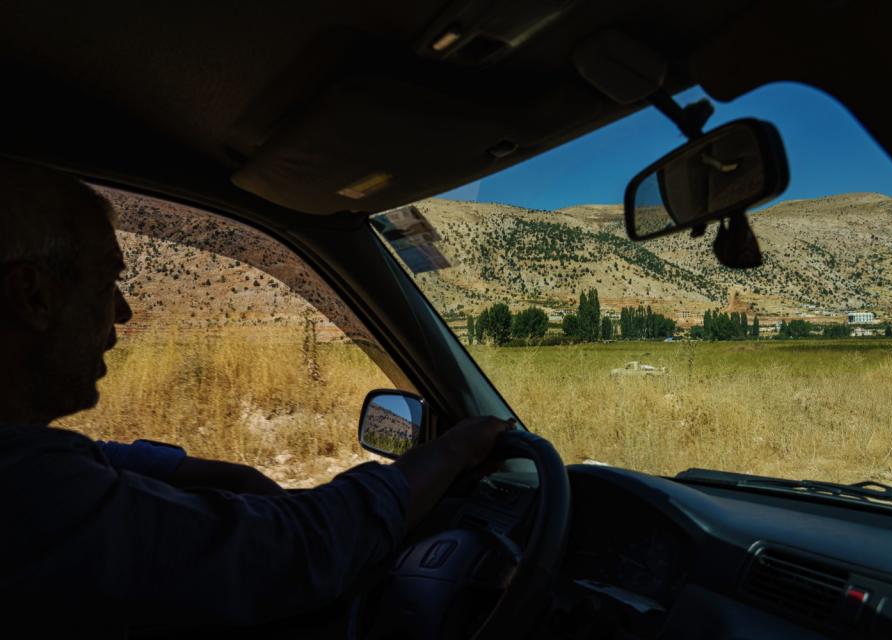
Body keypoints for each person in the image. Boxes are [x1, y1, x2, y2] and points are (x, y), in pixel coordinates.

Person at [0, 160, 512, 634]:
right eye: (108, 281)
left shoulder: (40, 466)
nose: (125, 312)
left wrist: (231, 477)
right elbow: (288, 555)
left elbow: (111, 461)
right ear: (34, 295)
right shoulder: (32, 489)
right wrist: (453, 449)